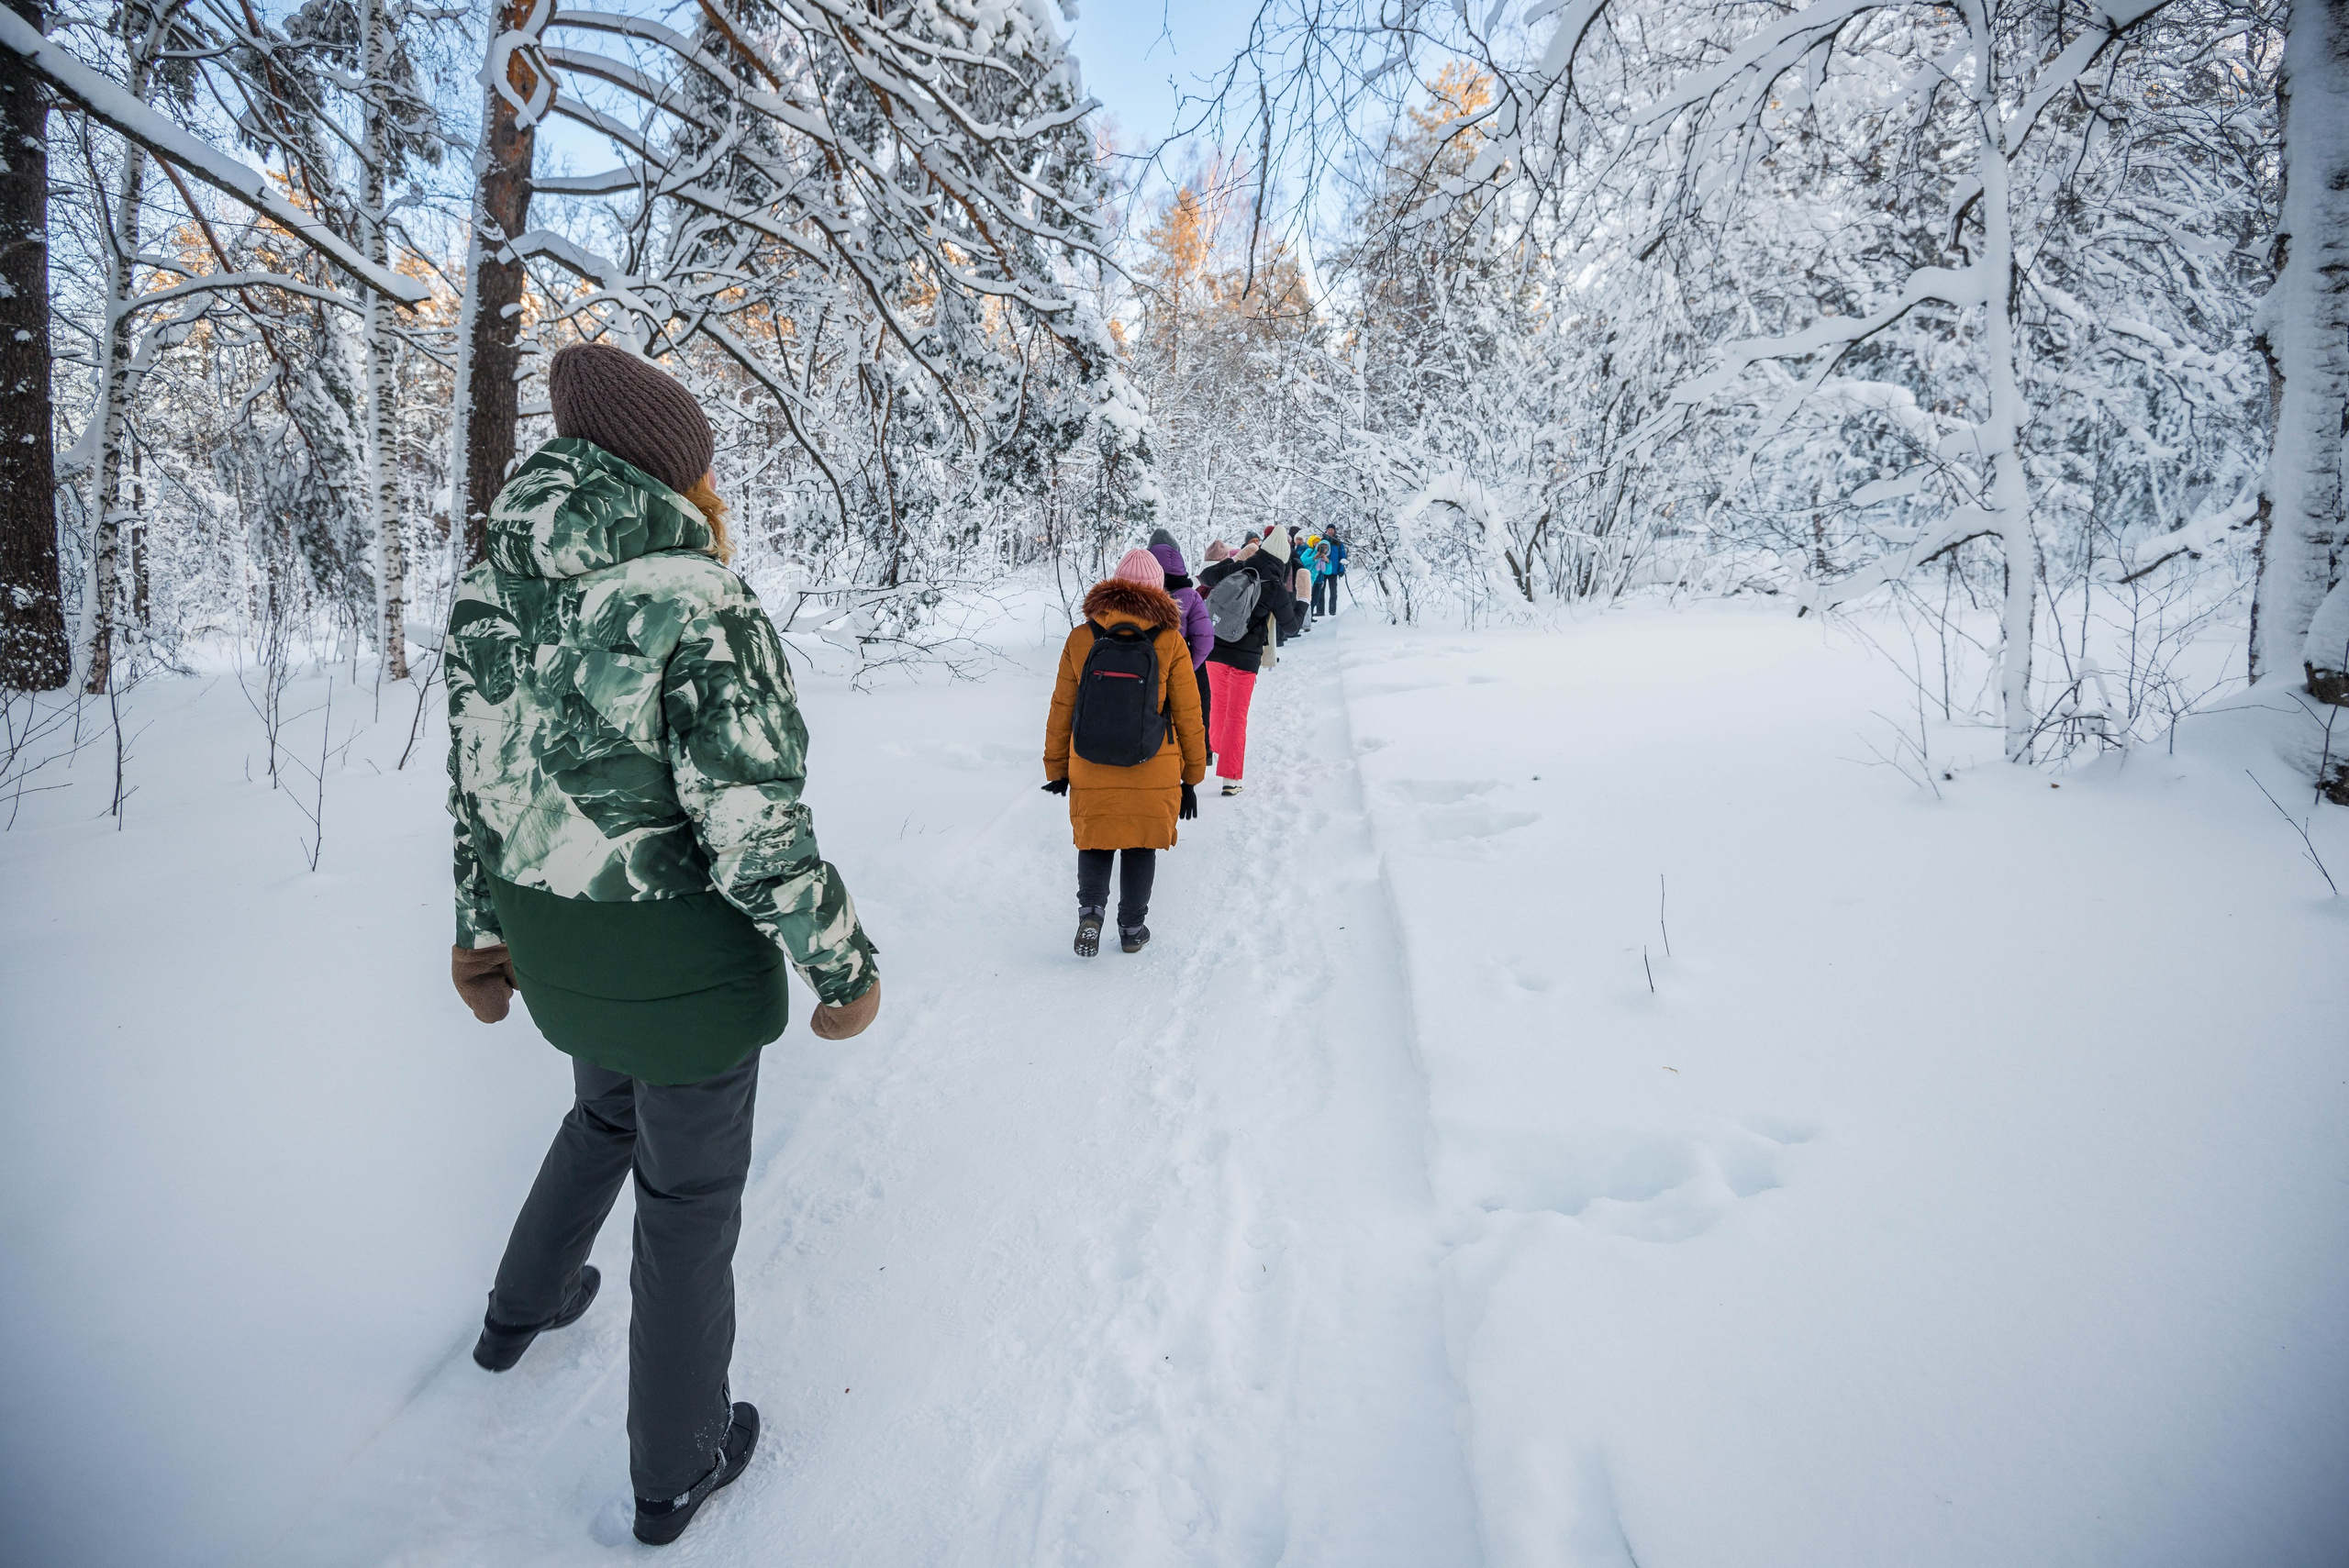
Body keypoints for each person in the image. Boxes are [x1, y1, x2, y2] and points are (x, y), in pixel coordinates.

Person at [444, 342, 881, 1549]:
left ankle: (519, 1311)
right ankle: (676, 1466)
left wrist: (480, 934)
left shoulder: (491, 590)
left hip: (558, 948)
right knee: (686, 1200)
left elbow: (478, 791)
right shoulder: (697, 600)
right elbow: (750, 821)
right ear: (672, 474)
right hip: (682, 965)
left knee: (602, 1116)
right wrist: (840, 960)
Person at [1042, 550, 1208, 955]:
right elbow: (1189, 714)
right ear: (1158, 590)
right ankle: (1132, 929)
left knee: (1095, 840)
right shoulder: (1170, 641)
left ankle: (1091, 913)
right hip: (1152, 764)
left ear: (1114, 585)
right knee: (1140, 844)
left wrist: (1057, 768)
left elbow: (1063, 707)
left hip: (1090, 761)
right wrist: (1191, 778)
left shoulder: (1081, 638)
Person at [1195, 524, 1306, 795]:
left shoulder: (1241, 567)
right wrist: (1303, 598)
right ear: (1283, 560)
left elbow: (1206, 576)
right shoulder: (1275, 587)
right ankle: (1231, 778)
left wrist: (1237, 559)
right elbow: (1292, 627)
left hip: (1216, 649)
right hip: (1245, 659)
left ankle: (1220, 749)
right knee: (1237, 716)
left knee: (1218, 705)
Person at [1149, 527, 1214, 748]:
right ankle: (1199, 753)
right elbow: (1205, 640)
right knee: (1190, 715)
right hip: (1180, 664)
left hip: (1147, 667)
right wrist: (1187, 667)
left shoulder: (1141, 593)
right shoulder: (1191, 596)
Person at [1319, 528, 1349, 616]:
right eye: (1329, 529)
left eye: (1332, 529)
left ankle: (1332, 611)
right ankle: (1320, 611)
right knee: (1320, 591)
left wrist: (1341, 569)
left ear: (1335, 531)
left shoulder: (1338, 543)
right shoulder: (1322, 541)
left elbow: (1342, 557)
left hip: (1334, 571)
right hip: (1323, 570)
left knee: (1333, 592)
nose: (1330, 531)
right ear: (1326, 530)